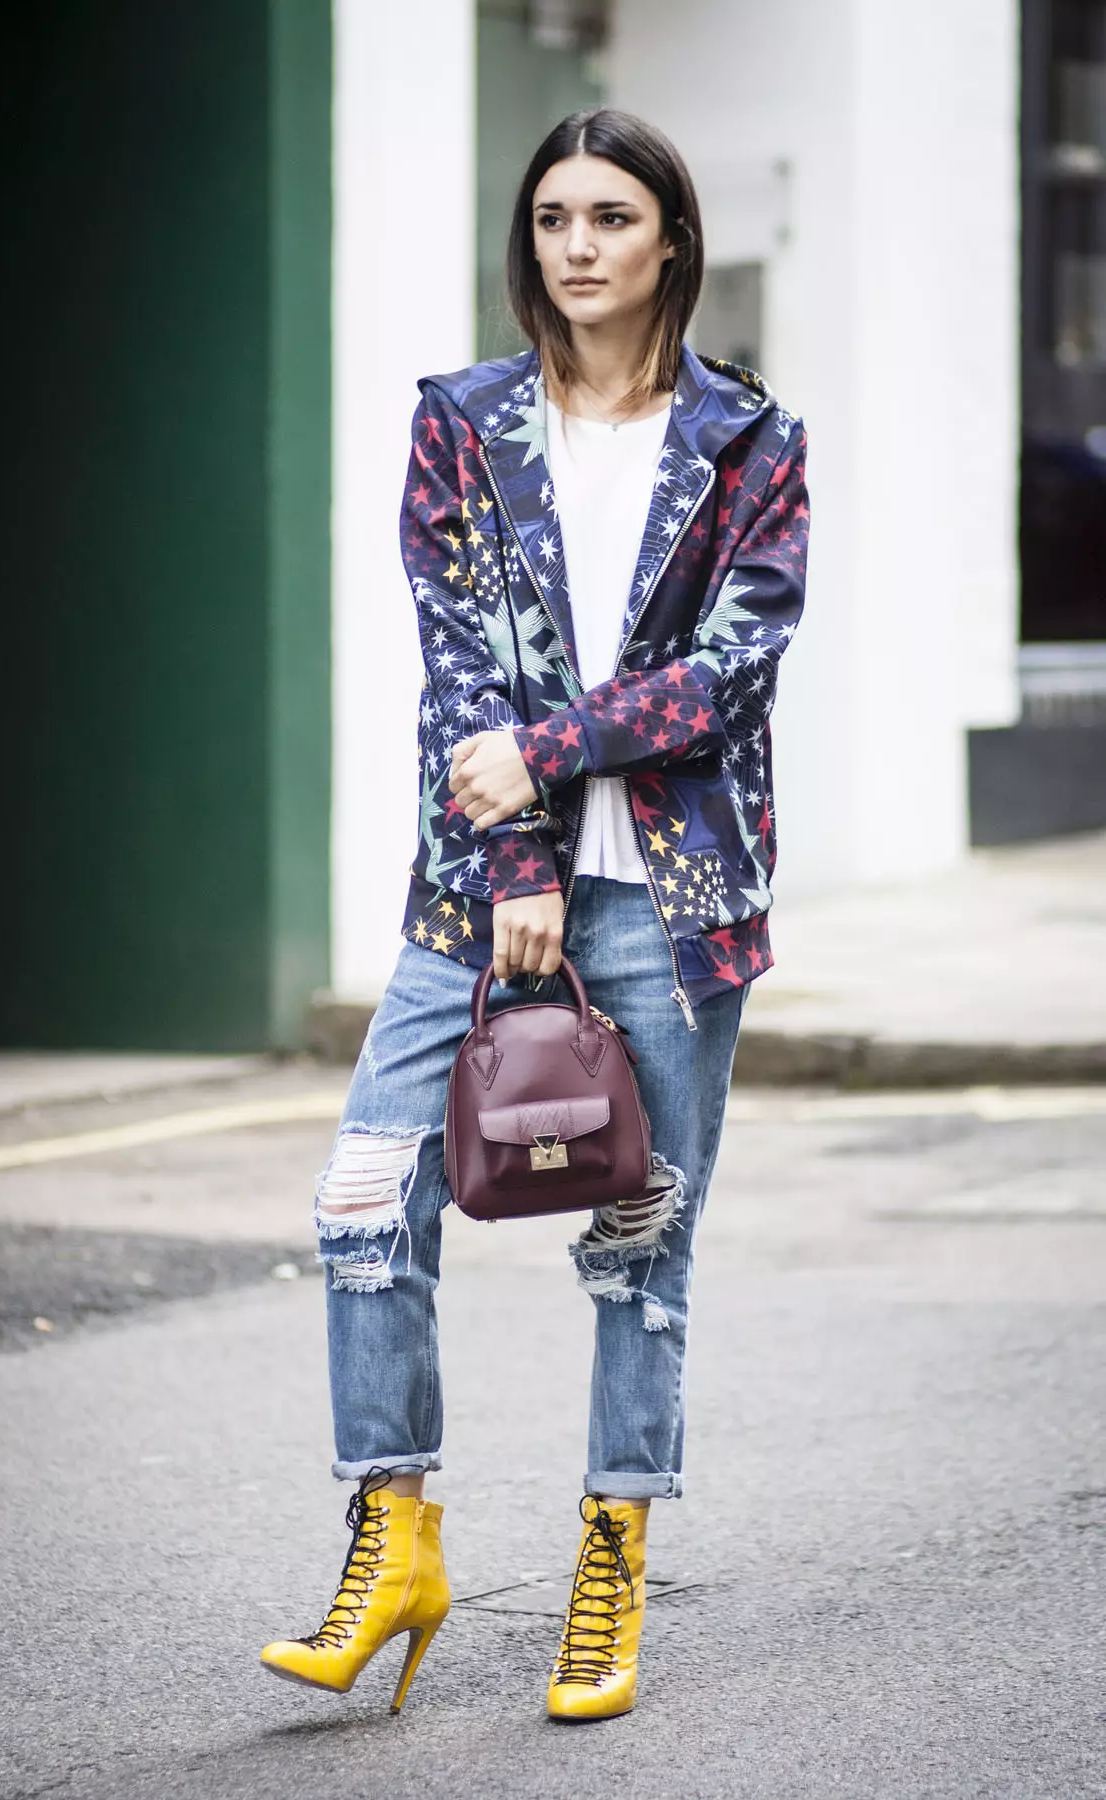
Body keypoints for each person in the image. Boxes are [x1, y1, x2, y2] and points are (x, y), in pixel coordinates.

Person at [261, 107, 809, 1723]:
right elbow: (455, 682)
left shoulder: (749, 442)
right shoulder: (462, 424)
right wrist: (518, 870)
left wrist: (551, 757)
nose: (578, 243)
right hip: (476, 893)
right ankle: (396, 1537)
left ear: (670, 244)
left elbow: (727, 674)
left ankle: (610, 1557)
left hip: (679, 892)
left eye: (612, 216)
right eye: (555, 215)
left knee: (641, 1243)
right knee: (368, 1190)